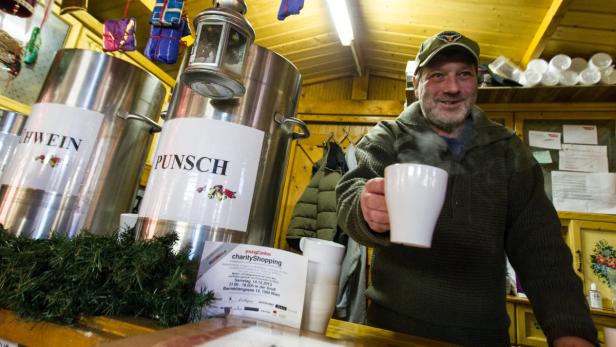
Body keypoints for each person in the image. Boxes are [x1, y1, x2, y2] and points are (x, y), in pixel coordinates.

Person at [335, 31, 599, 346]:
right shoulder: (387, 136)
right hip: (391, 332)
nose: (452, 88)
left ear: (477, 82)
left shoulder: (508, 150)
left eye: (464, 74)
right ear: (417, 83)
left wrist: (571, 332)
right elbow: (351, 192)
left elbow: (542, 251)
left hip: (483, 338)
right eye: (437, 76)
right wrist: (366, 211)